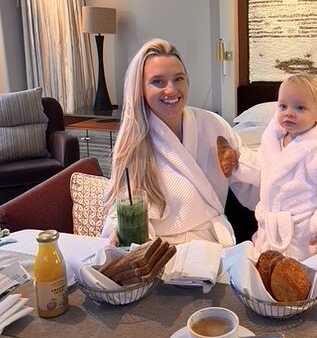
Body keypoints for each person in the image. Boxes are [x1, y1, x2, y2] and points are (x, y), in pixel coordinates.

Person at [102, 38, 259, 247]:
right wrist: (119, 234)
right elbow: (123, 204)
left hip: (212, 249)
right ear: (141, 88)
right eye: (158, 81)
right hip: (159, 252)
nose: (171, 90)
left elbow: (252, 181)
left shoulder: (213, 126)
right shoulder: (134, 140)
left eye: (178, 79)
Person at [252, 73, 317, 261]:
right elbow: (262, 169)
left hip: (302, 238)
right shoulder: (273, 142)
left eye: (300, 108)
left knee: (305, 283)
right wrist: (238, 165)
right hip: (269, 232)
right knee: (265, 281)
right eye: (283, 106)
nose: (288, 113)